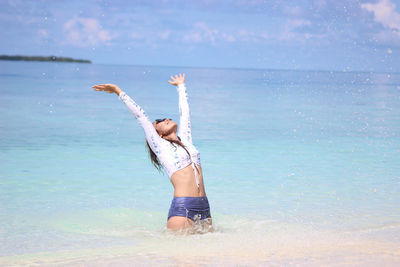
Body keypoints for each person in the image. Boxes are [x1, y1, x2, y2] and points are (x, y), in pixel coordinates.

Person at [92, 74, 212, 233]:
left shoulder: (187, 141)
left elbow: (185, 113)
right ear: (158, 133)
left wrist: (181, 87)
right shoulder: (160, 146)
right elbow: (141, 115)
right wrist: (118, 91)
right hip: (184, 207)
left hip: (204, 206)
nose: (167, 118)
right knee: (178, 255)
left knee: (208, 256)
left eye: (167, 117)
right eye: (161, 120)